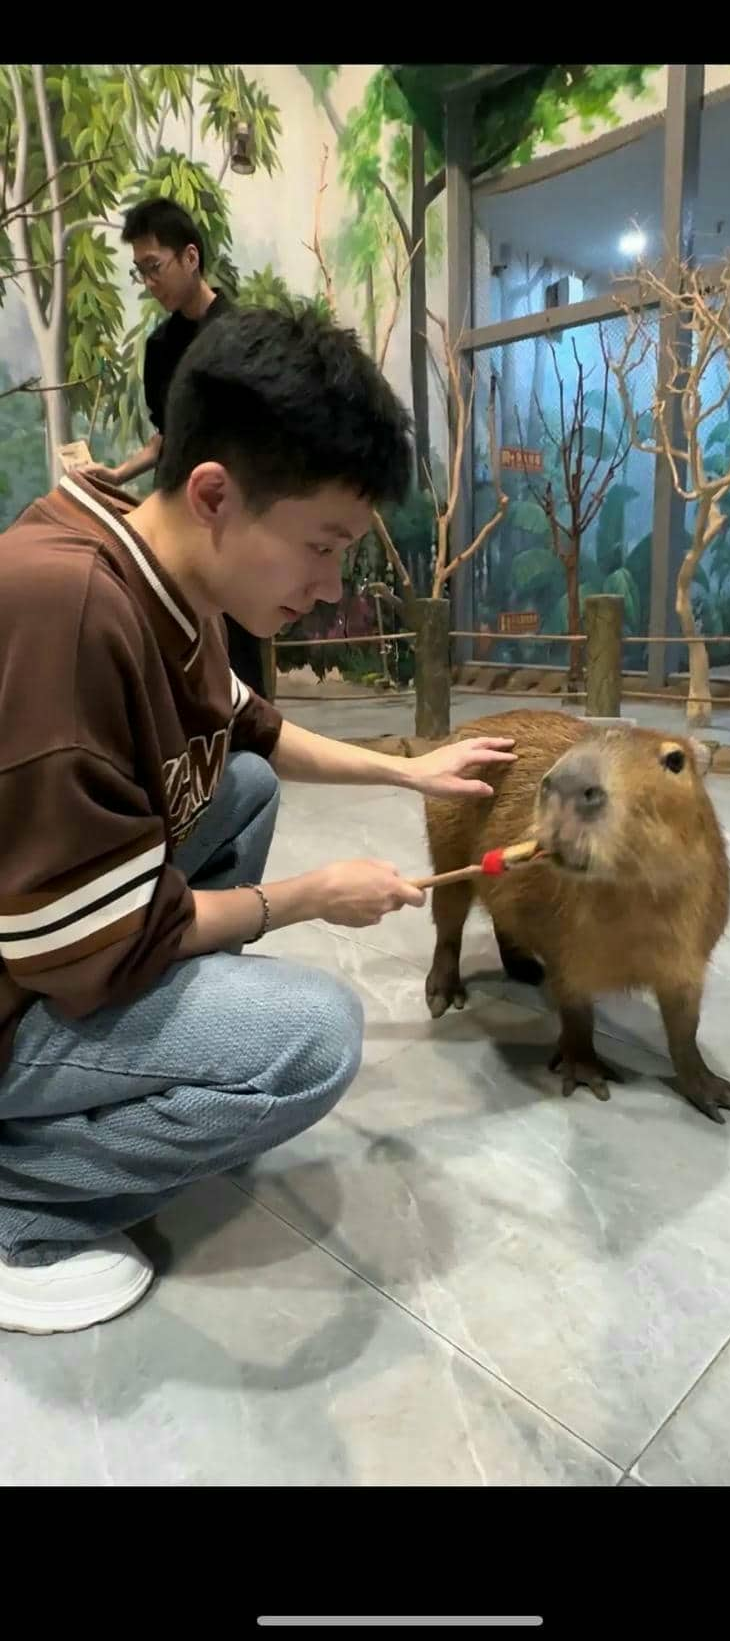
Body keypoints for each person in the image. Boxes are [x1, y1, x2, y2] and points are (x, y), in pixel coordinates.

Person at [0, 304, 515, 1336]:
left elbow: (254, 734)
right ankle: (25, 1206)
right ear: (215, 495)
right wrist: (307, 899)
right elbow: (70, 939)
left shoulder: (162, 565)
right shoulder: (68, 615)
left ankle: (127, 1072)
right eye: (321, 549)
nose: (329, 591)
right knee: (312, 1041)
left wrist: (410, 775)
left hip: (63, 933)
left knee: (243, 787)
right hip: (29, 973)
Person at [86, 195, 263, 694]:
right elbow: (167, 437)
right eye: (139, 271)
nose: (148, 282)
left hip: (233, 513)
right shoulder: (159, 349)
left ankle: (253, 750)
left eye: (154, 266)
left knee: (238, 648)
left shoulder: (243, 335)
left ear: (190, 257)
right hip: (177, 515)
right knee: (180, 640)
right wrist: (119, 475)